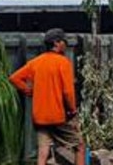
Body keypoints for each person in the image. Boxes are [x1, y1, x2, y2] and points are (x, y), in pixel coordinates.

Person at [9, 28, 84, 165]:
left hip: (40, 117)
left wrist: (27, 90)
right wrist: (72, 110)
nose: (65, 44)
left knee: (43, 151)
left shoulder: (36, 62)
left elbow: (14, 78)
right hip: (58, 117)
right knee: (78, 146)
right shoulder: (63, 63)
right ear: (56, 43)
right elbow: (68, 92)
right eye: (63, 41)